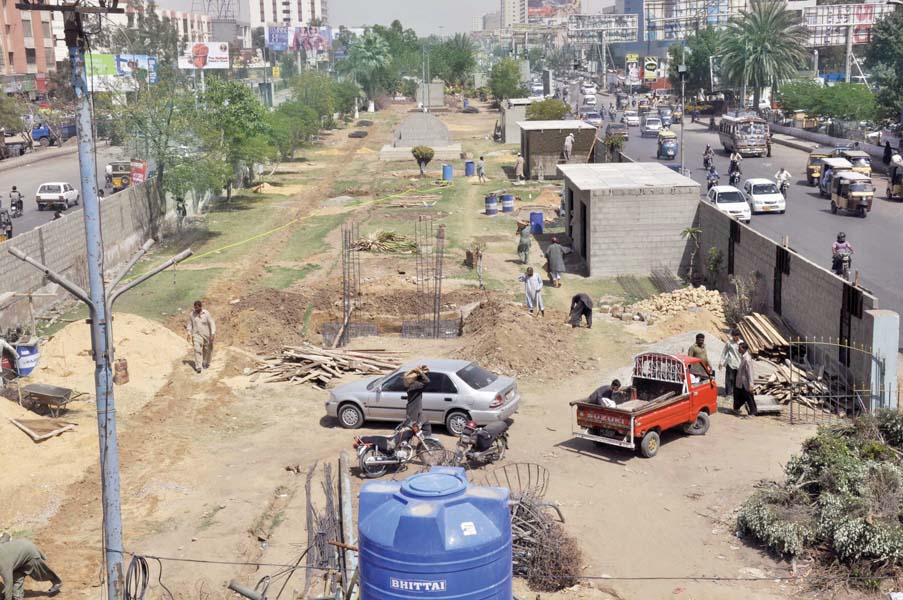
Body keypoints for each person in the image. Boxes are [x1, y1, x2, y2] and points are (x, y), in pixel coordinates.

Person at [186, 300, 215, 373]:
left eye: (198, 308)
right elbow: (190, 324)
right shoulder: (192, 314)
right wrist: (189, 333)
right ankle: (198, 366)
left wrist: (213, 333)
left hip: (206, 334)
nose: (196, 310)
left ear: (201, 307)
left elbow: (212, 323)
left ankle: (204, 362)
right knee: (196, 349)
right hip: (196, 334)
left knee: (206, 349)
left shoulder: (206, 313)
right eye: (195, 308)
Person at [403, 365, 431, 435]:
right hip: (414, 413)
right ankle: (426, 443)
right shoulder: (416, 385)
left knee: (424, 426)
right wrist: (420, 372)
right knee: (411, 431)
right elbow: (427, 381)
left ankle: (424, 443)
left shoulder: (410, 385)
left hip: (415, 412)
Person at [733, 341, 757, 416]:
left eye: (739, 348)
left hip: (745, 382)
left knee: (749, 397)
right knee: (739, 396)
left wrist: (751, 384)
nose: (738, 349)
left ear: (744, 349)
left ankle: (753, 412)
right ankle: (736, 409)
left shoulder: (747, 359)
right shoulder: (743, 356)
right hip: (740, 382)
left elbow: (750, 372)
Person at [719, 329, 742, 398]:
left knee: (737, 379)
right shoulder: (729, 343)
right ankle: (728, 393)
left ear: (739, 336)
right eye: (733, 336)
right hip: (730, 363)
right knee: (729, 379)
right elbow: (724, 352)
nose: (734, 337)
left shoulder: (742, 343)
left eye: (736, 336)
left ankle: (735, 392)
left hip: (739, 364)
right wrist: (721, 362)